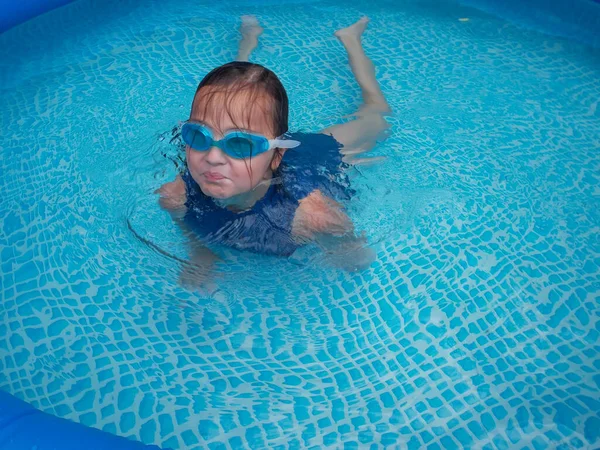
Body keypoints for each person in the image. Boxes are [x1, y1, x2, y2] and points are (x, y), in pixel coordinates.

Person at [157, 16, 390, 276]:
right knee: (234, 99)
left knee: (377, 116)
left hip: (311, 160)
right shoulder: (176, 196)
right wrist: (200, 253)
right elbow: (187, 226)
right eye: (198, 136)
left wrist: (342, 245)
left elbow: (359, 259)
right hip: (270, 142)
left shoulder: (312, 216)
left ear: (277, 156)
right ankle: (247, 43)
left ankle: (351, 40)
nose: (212, 157)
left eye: (240, 145)